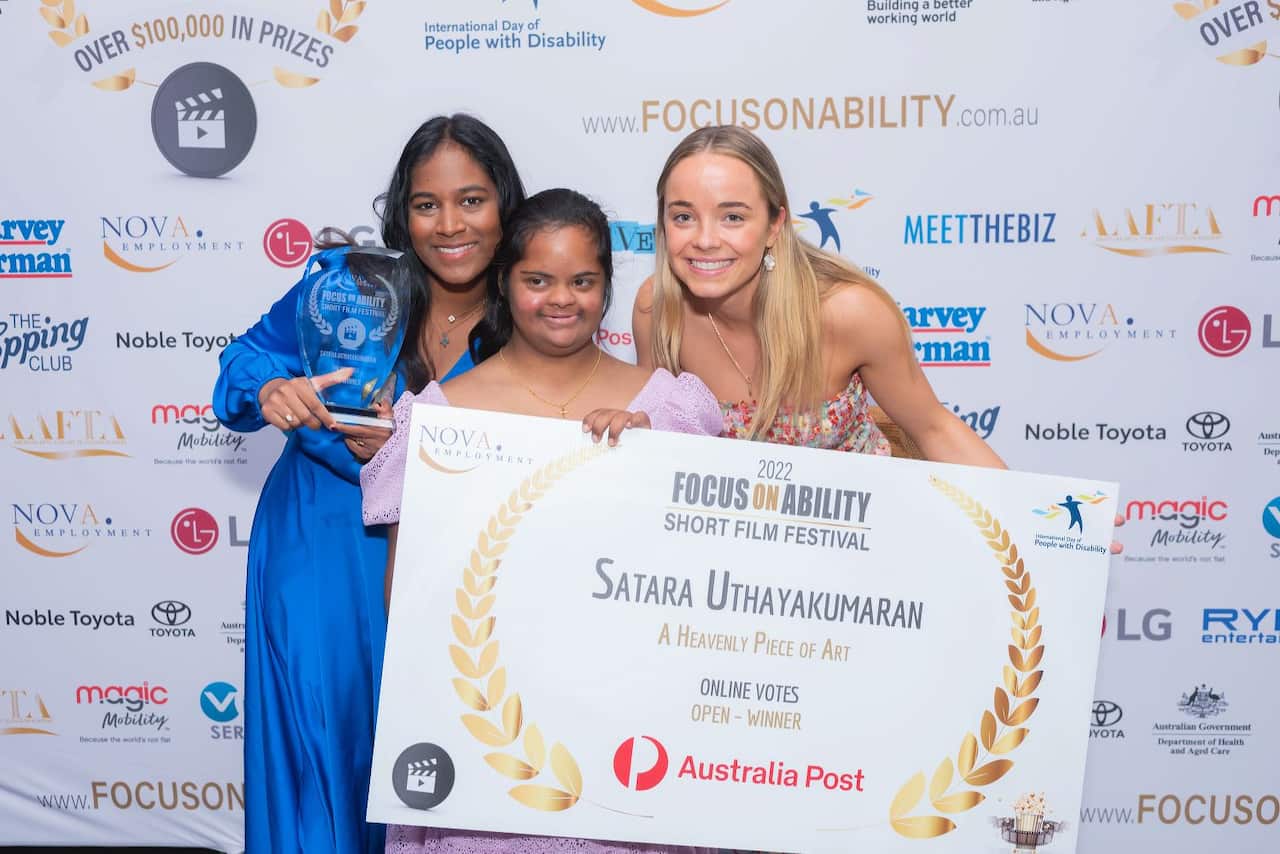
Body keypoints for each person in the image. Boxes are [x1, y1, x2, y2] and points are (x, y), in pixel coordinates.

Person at [360, 188, 721, 854]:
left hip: (631, 742)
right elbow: (403, 595)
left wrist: (657, 457)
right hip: (490, 743)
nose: (562, 299)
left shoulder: (666, 408)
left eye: (583, 281)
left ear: (609, 287)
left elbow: (710, 583)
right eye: (538, 280)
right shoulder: (441, 417)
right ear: (505, 283)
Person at [212, 113, 525, 853]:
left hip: (446, 570)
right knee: (323, 750)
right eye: (426, 204)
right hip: (322, 541)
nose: (450, 224)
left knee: (432, 764)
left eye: (472, 200)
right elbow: (238, 365)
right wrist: (272, 389)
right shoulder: (347, 288)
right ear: (401, 211)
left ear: (505, 206)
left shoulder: (530, 314)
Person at [633, 124, 1123, 572]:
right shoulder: (659, 311)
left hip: (862, 561)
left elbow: (934, 428)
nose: (705, 240)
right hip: (732, 569)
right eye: (683, 217)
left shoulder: (847, 313)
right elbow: (653, 451)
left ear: (775, 225)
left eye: (733, 217)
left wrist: (1047, 527)